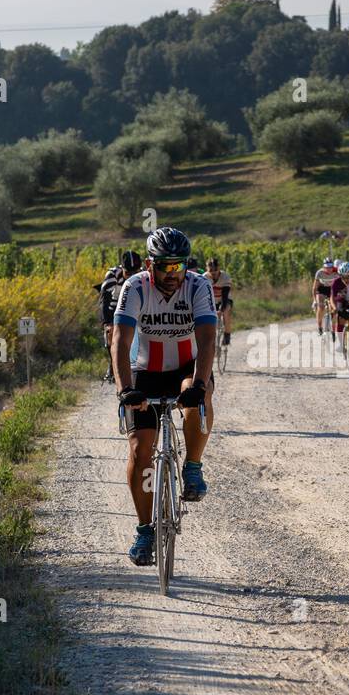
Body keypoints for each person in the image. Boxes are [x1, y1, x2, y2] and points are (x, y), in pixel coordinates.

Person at [111, 227, 217, 566]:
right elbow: (120, 342)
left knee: (195, 394)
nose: (172, 275)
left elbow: (208, 339)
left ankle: (193, 467)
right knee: (141, 449)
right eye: (164, 267)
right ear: (148, 264)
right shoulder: (135, 286)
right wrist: (126, 390)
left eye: (179, 266)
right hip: (145, 372)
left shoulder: (198, 285)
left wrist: (200, 384)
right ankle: (145, 530)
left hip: (186, 367)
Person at [95, 250, 142, 382]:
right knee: (112, 333)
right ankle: (113, 363)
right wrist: (107, 323)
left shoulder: (144, 275)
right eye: (128, 273)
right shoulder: (112, 275)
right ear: (122, 269)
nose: (132, 277)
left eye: (135, 273)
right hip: (115, 310)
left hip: (135, 310)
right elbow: (104, 300)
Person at [330, 260, 349, 353]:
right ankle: (341, 343)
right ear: (340, 276)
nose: (346, 279)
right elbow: (332, 298)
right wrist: (334, 308)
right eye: (344, 277)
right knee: (340, 318)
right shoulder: (336, 283)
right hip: (341, 302)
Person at [205, 257, 233, 348]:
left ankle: (227, 334)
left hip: (224, 299)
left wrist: (221, 309)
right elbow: (203, 297)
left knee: (226, 311)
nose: (213, 273)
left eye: (215, 270)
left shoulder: (225, 277)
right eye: (211, 271)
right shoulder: (204, 277)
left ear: (219, 268)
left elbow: (225, 296)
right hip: (211, 301)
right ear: (207, 269)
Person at [312, 256, 340, 335]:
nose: (329, 269)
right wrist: (314, 300)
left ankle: (333, 328)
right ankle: (320, 327)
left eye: (330, 267)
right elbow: (314, 288)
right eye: (326, 267)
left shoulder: (336, 271)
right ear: (323, 267)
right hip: (321, 290)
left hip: (331, 290)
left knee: (334, 309)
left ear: (333, 266)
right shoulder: (319, 273)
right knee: (321, 307)